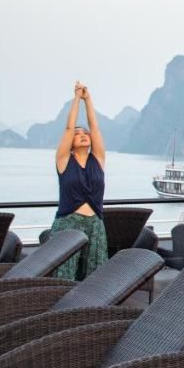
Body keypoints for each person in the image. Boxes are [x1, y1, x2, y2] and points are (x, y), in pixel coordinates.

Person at [51, 81, 107, 281]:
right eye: (78, 134)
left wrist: (88, 99)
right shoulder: (63, 160)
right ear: (71, 143)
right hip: (68, 223)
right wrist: (77, 98)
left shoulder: (98, 159)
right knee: (65, 277)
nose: (83, 135)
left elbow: (95, 128)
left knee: (94, 278)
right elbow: (68, 128)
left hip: (95, 225)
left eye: (85, 133)